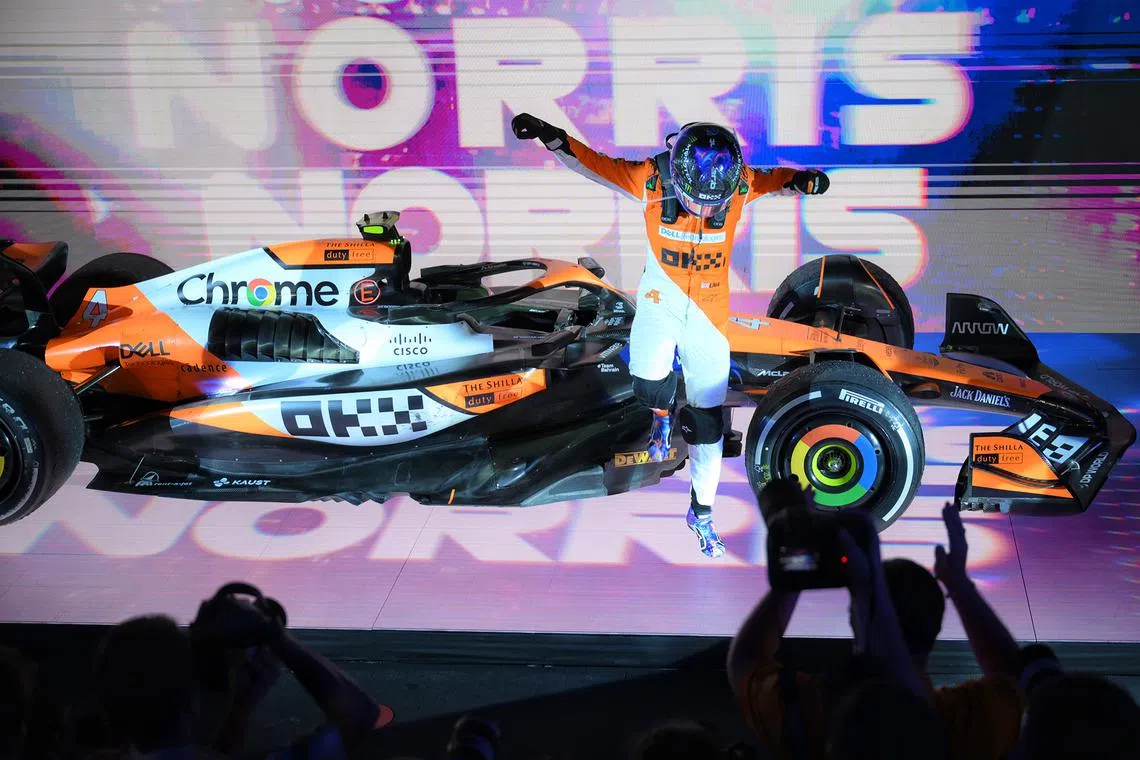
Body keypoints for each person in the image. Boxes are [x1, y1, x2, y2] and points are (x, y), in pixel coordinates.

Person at [512, 114, 829, 557]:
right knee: (646, 376)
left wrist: (803, 181)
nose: (704, 210)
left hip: (709, 313)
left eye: (713, 205)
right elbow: (593, 164)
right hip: (661, 301)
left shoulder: (739, 184)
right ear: (676, 178)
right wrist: (552, 135)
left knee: (708, 422)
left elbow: (776, 179)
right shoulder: (648, 179)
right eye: (696, 202)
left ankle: (701, 512)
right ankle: (660, 415)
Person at [727, 500, 1026, 760]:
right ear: (934, 630)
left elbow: (744, 660)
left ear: (852, 620)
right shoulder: (965, 727)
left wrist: (799, 568)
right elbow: (1014, 676)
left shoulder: (805, 717)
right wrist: (960, 584)